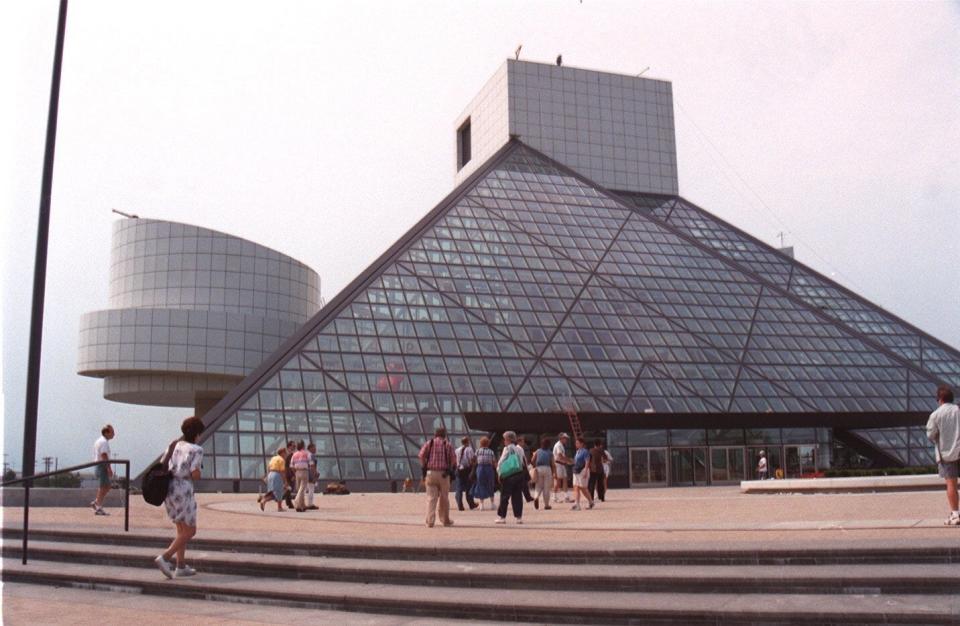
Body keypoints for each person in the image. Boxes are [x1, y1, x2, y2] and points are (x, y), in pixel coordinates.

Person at [154, 416, 205, 579]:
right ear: (197, 433)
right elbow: (195, 473)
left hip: (169, 489)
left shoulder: (174, 445)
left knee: (181, 529)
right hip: (183, 490)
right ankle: (165, 557)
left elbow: (164, 463)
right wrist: (199, 473)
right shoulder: (197, 449)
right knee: (190, 530)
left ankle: (180, 566)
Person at [926, 385, 960, 526]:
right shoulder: (959, 411)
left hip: (946, 454)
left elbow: (930, 435)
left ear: (939, 399)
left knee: (951, 484)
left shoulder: (935, 415)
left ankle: (956, 514)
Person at [418, 427, 456, 528]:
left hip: (431, 473)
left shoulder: (429, 443)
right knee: (444, 497)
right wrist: (450, 469)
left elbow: (421, 456)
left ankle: (430, 521)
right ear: (444, 435)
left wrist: (424, 467)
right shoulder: (448, 444)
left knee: (431, 498)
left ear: (435, 434)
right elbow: (453, 460)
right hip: (444, 474)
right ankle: (445, 520)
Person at [495, 430, 527, 524]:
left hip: (509, 475)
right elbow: (522, 461)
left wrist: (499, 472)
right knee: (517, 496)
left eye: (504, 439)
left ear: (508, 439)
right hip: (519, 474)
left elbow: (501, 461)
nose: (504, 441)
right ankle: (518, 517)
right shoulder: (519, 449)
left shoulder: (507, 448)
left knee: (505, 496)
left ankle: (502, 517)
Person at [91, 424, 115, 516]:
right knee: (104, 487)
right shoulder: (104, 442)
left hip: (99, 465)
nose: (113, 434)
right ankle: (98, 507)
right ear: (106, 432)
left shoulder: (99, 441)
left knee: (107, 486)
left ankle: (96, 502)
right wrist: (109, 468)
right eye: (112, 432)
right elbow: (104, 455)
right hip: (102, 466)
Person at [259, 447, 288, 511]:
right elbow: (282, 472)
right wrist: (285, 481)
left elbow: (269, 468)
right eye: (285, 453)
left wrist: (266, 477)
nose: (286, 455)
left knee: (272, 492)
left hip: (270, 474)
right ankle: (279, 507)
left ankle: (264, 500)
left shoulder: (273, 458)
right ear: (282, 453)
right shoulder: (281, 460)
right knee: (279, 491)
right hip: (277, 475)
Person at [472, 436, 497, 510]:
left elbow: (474, 460)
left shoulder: (478, 451)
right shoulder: (491, 451)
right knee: (490, 485)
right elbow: (494, 462)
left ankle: (481, 505)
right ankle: (492, 504)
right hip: (489, 468)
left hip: (480, 468)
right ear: (488, 443)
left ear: (481, 443)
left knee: (480, 485)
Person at [454, 436, 478, 511]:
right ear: (467, 442)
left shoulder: (457, 450)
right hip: (467, 470)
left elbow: (455, 460)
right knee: (468, 488)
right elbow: (471, 460)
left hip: (459, 470)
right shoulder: (469, 449)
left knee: (459, 488)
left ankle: (460, 505)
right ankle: (471, 504)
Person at [531, 437, 555, 510]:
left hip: (539, 469)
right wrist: (554, 472)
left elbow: (532, 460)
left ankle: (536, 497)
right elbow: (553, 464)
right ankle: (546, 505)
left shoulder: (537, 451)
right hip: (547, 469)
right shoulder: (550, 452)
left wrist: (534, 466)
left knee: (538, 486)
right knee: (546, 488)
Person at [571, 436, 594, 511]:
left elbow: (587, 461)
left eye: (577, 443)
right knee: (576, 487)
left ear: (582, 444)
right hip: (576, 471)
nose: (576, 444)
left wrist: (586, 472)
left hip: (582, 471)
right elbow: (576, 461)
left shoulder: (585, 451)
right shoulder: (577, 452)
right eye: (576, 443)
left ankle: (590, 501)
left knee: (583, 489)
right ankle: (577, 504)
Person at [290, 441, 310, 512]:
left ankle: (302, 505)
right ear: (303, 446)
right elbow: (311, 463)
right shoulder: (306, 453)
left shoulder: (294, 454)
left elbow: (291, 465)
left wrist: (295, 472)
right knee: (302, 488)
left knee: (299, 489)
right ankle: (297, 502)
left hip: (297, 471)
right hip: (304, 471)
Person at [552, 433, 573, 504]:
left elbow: (561, 456)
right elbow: (560, 456)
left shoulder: (561, 445)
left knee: (565, 480)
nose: (566, 439)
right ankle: (554, 497)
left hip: (562, 464)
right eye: (565, 438)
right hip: (558, 464)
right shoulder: (558, 445)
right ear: (561, 438)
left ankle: (566, 497)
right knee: (558, 482)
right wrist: (569, 460)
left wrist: (566, 461)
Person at [587, 439, 606, 503]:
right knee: (600, 484)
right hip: (600, 469)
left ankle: (591, 498)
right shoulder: (601, 450)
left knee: (591, 484)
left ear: (594, 444)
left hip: (592, 469)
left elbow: (588, 459)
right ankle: (601, 498)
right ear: (600, 445)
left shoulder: (590, 450)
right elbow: (605, 458)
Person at [517, 437, 535, 505]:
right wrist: (525, 466)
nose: (523, 443)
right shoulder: (519, 448)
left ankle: (528, 497)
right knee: (524, 483)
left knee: (524, 483)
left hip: (522, 467)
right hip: (522, 467)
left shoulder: (519, 448)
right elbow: (522, 458)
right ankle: (527, 497)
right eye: (522, 441)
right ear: (519, 442)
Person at [306, 442, 319, 510]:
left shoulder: (307, 454)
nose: (315, 449)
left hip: (307, 472)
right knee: (311, 488)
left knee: (309, 488)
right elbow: (312, 465)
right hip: (311, 473)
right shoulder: (311, 455)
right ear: (310, 448)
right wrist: (315, 473)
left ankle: (309, 503)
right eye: (314, 448)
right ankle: (310, 504)